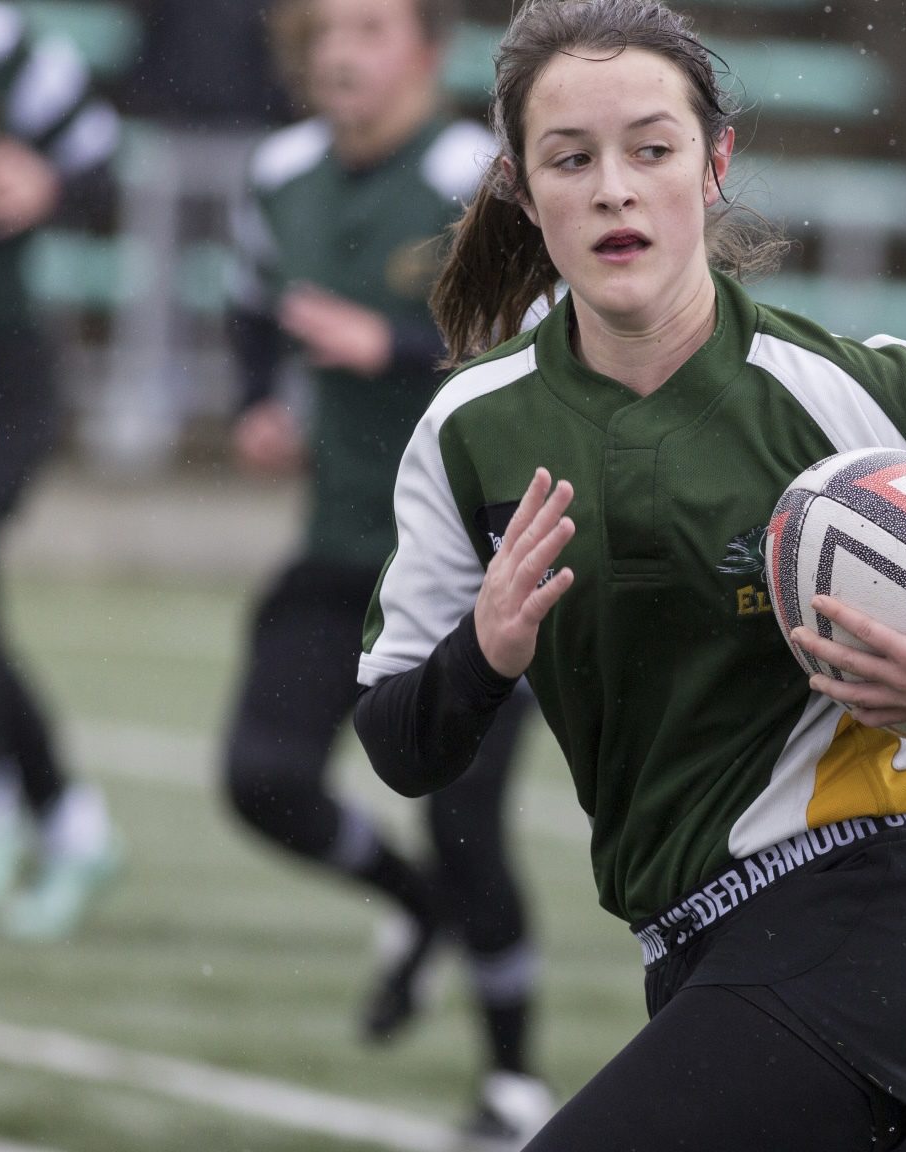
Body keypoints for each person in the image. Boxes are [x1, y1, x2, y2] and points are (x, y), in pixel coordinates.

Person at [351, 2, 906, 1147]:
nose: (613, 188)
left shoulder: (843, 390)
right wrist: (483, 656)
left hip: (879, 920)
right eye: (570, 158)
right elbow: (401, 746)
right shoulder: (468, 432)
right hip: (695, 952)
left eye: (652, 148)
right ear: (515, 183)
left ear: (714, 164)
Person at [218, 0, 550, 1142]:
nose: (343, 52)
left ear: (425, 52)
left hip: (475, 573)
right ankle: (411, 911)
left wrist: (398, 349)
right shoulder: (279, 171)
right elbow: (252, 299)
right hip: (340, 553)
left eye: (370, 27)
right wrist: (259, 401)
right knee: (261, 779)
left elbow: (543, 352)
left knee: (465, 828)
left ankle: (512, 1077)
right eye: (326, 31)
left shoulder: (478, 181)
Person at [0, 0, 125, 941]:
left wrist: (46, 185)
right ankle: (66, 820)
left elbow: (103, 172)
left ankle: (6, 811)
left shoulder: (1, 43)